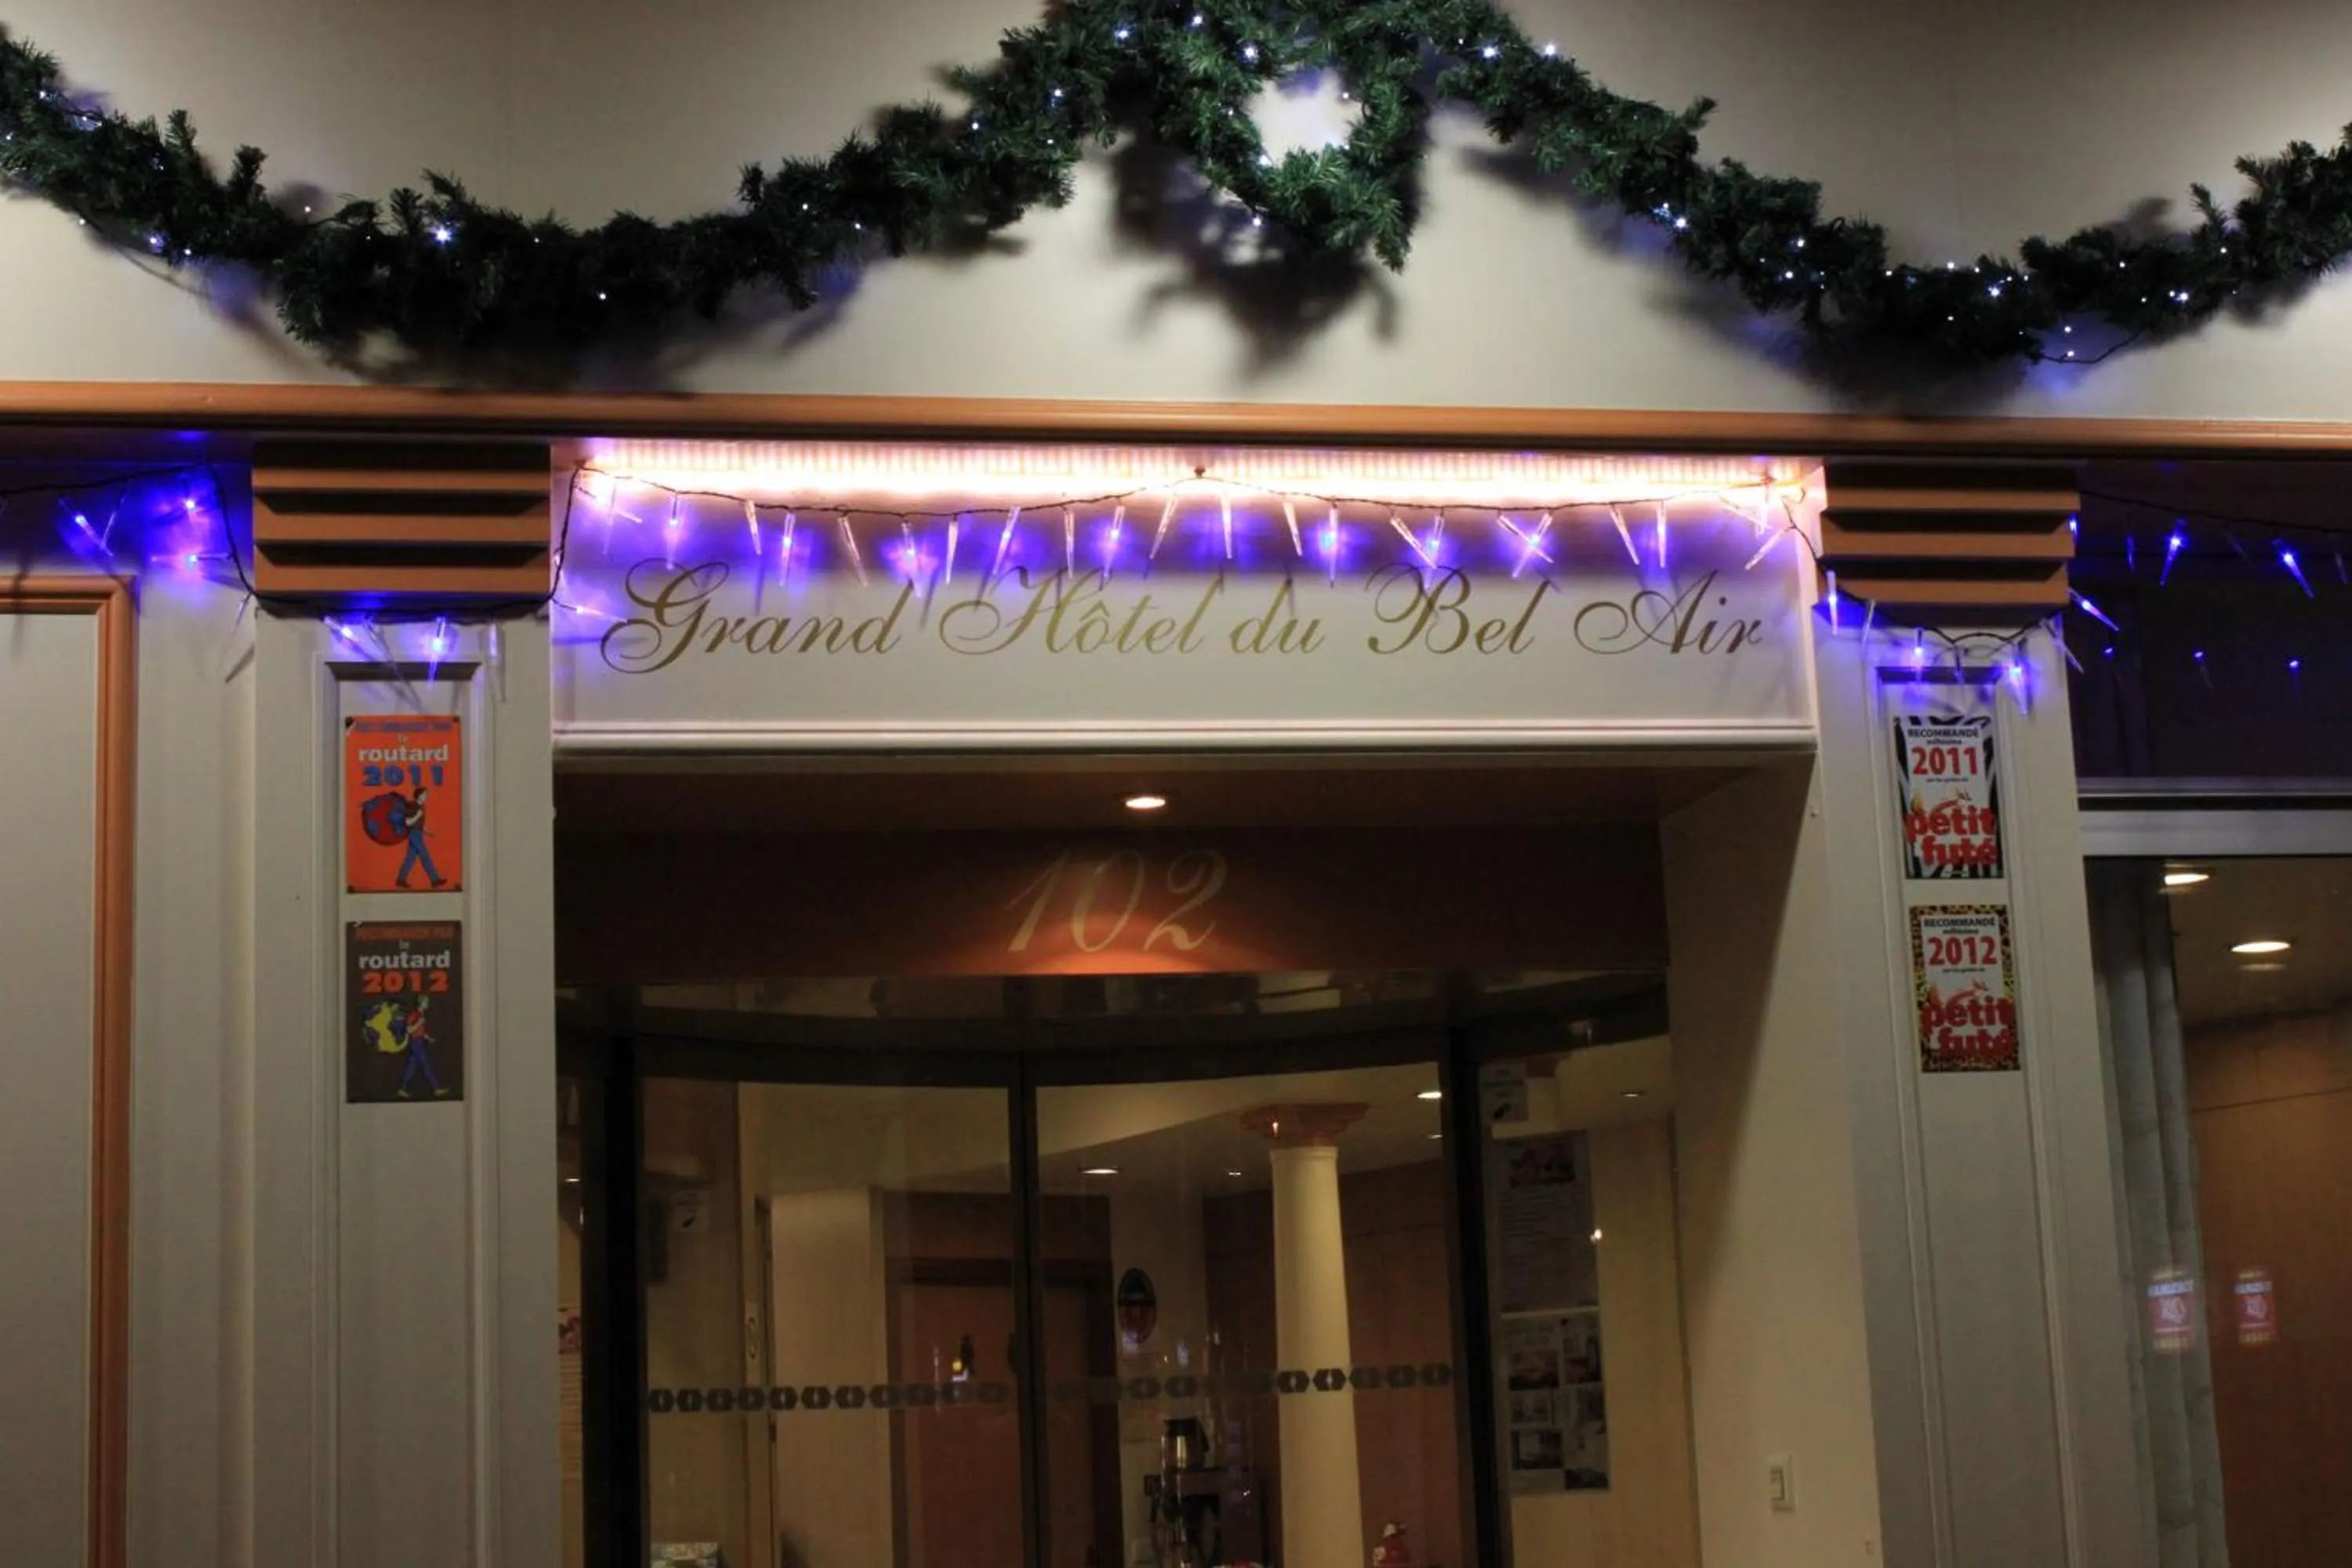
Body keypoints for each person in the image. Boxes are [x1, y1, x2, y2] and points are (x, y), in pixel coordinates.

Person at [397, 995, 452, 1099]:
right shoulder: (415, 1015)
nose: (427, 1004)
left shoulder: (421, 1015)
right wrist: (419, 1023)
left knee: (411, 1067)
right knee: (427, 1065)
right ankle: (437, 1089)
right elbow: (409, 1031)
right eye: (426, 1002)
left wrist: (428, 1038)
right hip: (416, 1043)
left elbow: (421, 1031)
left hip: (420, 1042)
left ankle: (402, 1088)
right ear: (421, 1003)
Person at [394, 786, 447, 888]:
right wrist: (418, 816)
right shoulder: (412, 806)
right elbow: (408, 823)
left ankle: (401, 879)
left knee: (410, 858)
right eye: (424, 794)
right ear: (418, 796)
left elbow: (419, 824)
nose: (426, 796)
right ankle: (435, 880)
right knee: (425, 856)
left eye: (426, 794)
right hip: (414, 834)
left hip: (418, 833)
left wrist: (427, 832)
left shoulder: (421, 807)